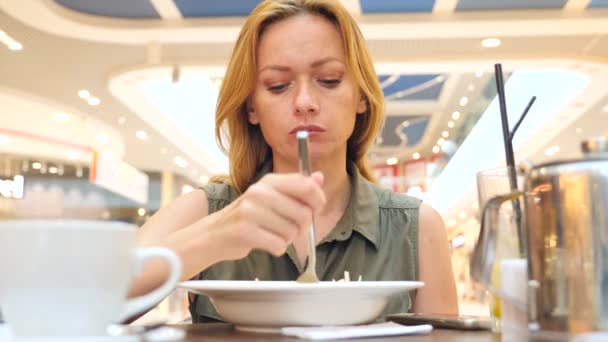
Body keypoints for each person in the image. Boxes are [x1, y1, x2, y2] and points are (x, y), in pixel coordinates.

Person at [132, 0, 458, 323]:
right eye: (278, 85)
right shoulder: (206, 210)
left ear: (361, 96)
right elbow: (89, 300)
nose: (304, 102)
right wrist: (216, 236)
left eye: (329, 80)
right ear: (251, 108)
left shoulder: (415, 227)